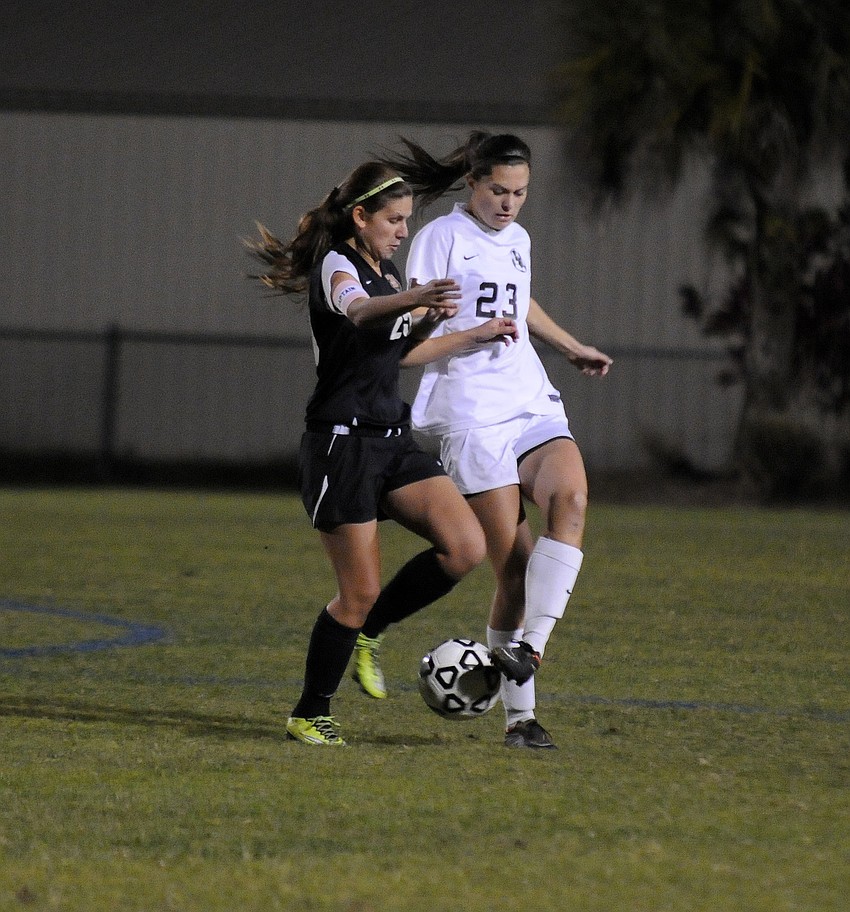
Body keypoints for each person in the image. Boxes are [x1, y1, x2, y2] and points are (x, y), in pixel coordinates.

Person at [247, 161, 518, 746]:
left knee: (465, 546)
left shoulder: (386, 270)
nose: (401, 231)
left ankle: (371, 631)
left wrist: (463, 329)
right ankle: (310, 711)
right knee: (357, 590)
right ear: (360, 216)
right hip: (341, 445)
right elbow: (358, 312)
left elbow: (396, 353)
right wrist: (416, 298)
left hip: (390, 438)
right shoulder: (338, 266)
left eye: (406, 221)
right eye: (392, 220)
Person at [366, 132, 613, 749]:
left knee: (573, 501)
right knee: (516, 570)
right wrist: (470, 336)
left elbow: (520, 303)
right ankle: (520, 721)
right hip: (468, 415)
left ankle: (529, 650)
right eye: (498, 191)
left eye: (520, 193)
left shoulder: (519, 239)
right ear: (473, 184)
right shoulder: (439, 240)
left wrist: (570, 345)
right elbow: (408, 342)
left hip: (528, 399)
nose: (509, 204)